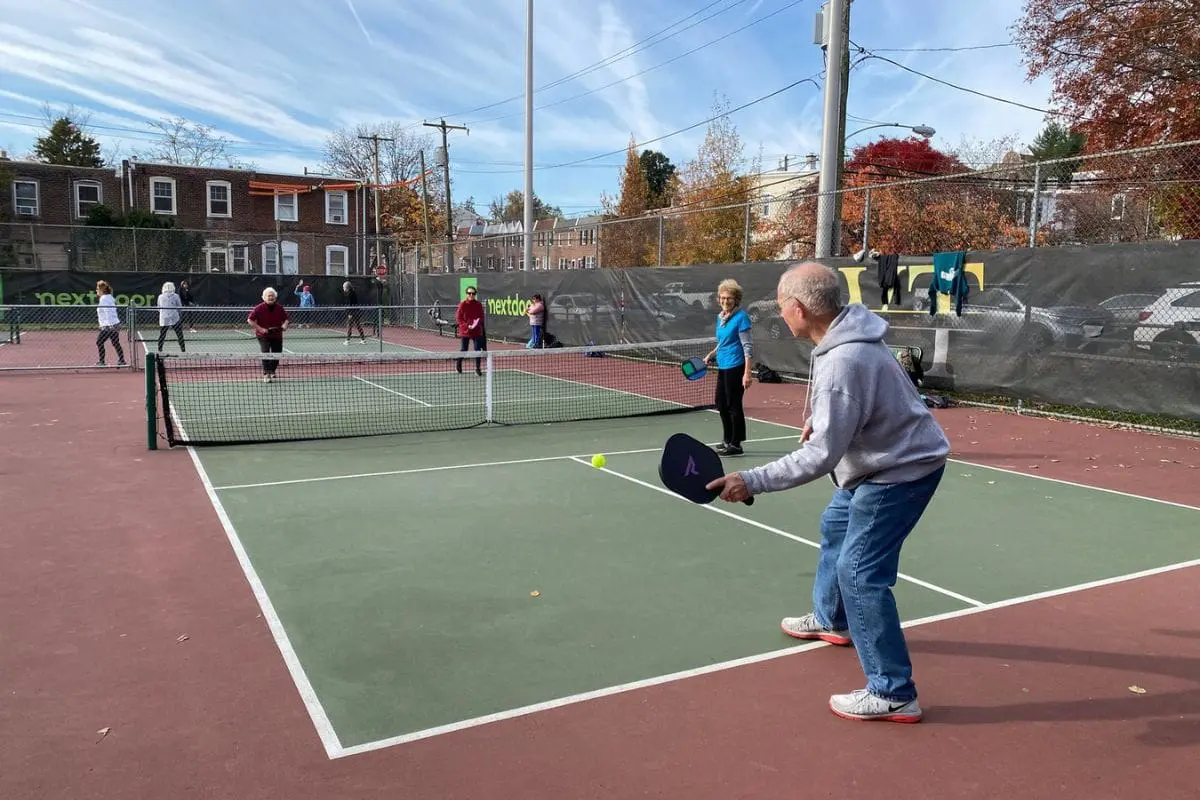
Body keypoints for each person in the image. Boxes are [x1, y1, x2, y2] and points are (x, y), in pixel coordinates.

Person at [706, 262, 950, 724]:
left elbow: (820, 457)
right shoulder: (842, 337)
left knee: (860, 574)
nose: (780, 315)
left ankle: (893, 691)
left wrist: (751, 479)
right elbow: (856, 407)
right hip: (876, 462)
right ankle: (830, 617)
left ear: (798, 309)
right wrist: (823, 420)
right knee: (834, 525)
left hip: (899, 471)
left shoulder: (843, 360)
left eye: (781, 307)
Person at [703, 278, 753, 456]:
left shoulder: (741, 318)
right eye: (722, 298)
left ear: (736, 300)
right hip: (723, 365)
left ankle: (736, 444)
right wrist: (711, 354)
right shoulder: (720, 317)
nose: (725, 301)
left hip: (736, 366)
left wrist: (747, 373)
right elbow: (723, 341)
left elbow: (747, 346)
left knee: (733, 405)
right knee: (721, 403)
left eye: (729, 298)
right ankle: (726, 439)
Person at [248, 286, 289, 383]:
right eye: (269, 296)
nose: (271, 297)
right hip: (263, 336)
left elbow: (286, 319)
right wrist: (261, 329)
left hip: (277, 335)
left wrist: (284, 325)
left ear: (275, 297)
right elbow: (250, 320)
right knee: (265, 352)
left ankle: (272, 371)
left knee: (277, 354)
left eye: (272, 296)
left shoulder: (279, 308)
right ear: (264, 297)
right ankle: (266, 374)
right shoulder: (259, 308)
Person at [94, 280, 126, 367]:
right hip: (113, 323)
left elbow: (108, 311)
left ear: (102, 290)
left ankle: (102, 361)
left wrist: (109, 325)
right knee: (115, 342)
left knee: (99, 342)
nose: (96, 291)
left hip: (109, 325)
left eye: (97, 289)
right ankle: (122, 360)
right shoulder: (109, 297)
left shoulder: (104, 299)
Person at [455, 285, 485, 375]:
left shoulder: (478, 304)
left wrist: (476, 324)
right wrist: (467, 326)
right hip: (465, 331)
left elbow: (481, 317)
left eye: (473, 293)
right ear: (467, 294)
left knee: (477, 349)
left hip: (476, 331)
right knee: (464, 349)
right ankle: (458, 364)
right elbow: (459, 318)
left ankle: (477, 369)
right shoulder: (462, 305)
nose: (471, 295)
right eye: (469, 293)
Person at [156, 281, 186, 352]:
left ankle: (160, 349)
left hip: (164, 318)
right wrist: (179, 314)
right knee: (179, 334)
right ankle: (183, 349)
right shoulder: (175, 296)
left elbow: (158, 308)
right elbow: (179, 307)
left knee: (162, 334)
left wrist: (164, 313)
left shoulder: (160, 296)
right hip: (174, 317)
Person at [342, 281, 366, 345]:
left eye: (344, 287)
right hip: (356, 312)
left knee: (350, 326)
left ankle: (347, 340)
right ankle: (363, 339)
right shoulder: (351, 293)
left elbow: (351, 305)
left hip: (353, 312)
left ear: (347, 287)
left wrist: (350, 314)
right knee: (358, 325)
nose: (343, 288)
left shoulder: (350, 294)